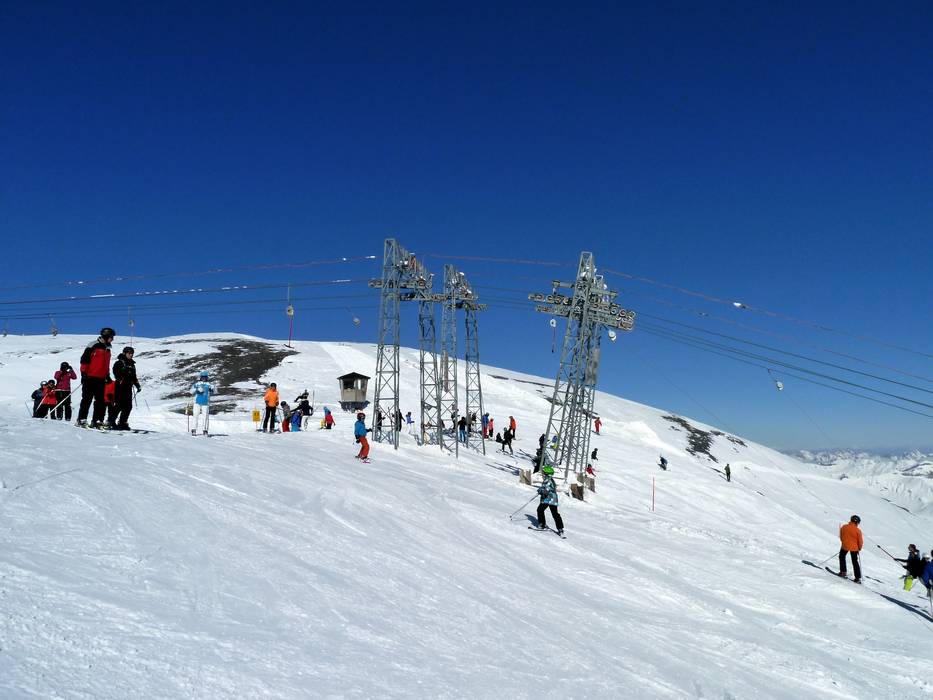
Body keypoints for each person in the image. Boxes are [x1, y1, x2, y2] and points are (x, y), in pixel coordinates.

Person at [77, 327, 115, 428]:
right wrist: (84, 373)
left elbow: (106, 364)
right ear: (106, 336)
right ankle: (81, 420)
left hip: (101, 378)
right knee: (87, 399)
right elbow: (84, 360)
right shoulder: (93, 345)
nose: (112, 339)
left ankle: (97, 420)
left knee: (100, 401)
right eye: (111, 337)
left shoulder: (107, 349)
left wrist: (107, 375)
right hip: (90, 377)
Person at [111, 346, 141, 430]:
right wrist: (120, 376)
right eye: (129, 353)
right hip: (120, 386)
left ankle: (123, 422)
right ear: (124, 353)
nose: (131, 355)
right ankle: (111, 421)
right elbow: (115, 371)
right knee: (119, 405)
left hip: (128, 387)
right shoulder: (119, 362)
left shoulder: (132, 364)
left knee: (128, 406)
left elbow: (134, 376)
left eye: (132, 353)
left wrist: (137, 385)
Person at [532, 465, 564, 536]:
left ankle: (558, 528)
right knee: (543, 510)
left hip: (550, 499)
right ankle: (557, 527)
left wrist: (540, 491)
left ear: (547, 474)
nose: (542, 475)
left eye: (543, 473)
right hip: (549, 499)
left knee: (549, 512)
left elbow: (546, 491)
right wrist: (540, 490)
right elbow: (544, 488)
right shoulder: (548, 480)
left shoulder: (548, 481)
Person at [838, 515, 864, 583]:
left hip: (845, 546)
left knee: (842, 557)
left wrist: (844, 542)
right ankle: (857, 578)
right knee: (855, 562)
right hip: (855, 548)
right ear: (857, 522)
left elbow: (841, 536)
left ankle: (843, 572)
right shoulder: (858, 530)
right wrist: (859, 548)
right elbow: (860, 541)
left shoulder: (844, 526)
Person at [190, 370, 213, 435]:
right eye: (202, 377)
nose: (204, 378)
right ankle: (194, 429)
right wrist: (196, 390)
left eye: (205, 377)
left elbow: (215, 391)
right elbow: (191, 391)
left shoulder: (209, 385)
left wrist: (212, 390)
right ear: (200, 377)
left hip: (205, 403)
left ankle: (205, 430)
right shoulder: (197, 384)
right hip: (197, 402)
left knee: (205, 416)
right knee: (195, 415)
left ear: (207, 377)